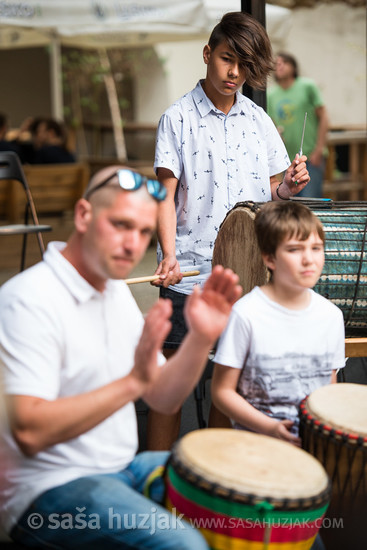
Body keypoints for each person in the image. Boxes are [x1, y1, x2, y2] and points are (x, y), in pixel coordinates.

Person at [0, 166, 242, 550]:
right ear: (83, 215)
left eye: (144, 233)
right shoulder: (28, 300)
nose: (133, 244)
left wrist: (201, 337)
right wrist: (132, 382)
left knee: (252, 507)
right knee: (185, 546)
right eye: (121, 225)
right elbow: (30, 433)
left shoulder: (112, 290)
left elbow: (162, 397)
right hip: (45, 492)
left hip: (124, 470)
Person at [148, 11, 311, 450]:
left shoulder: (257, 120)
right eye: (226, 59)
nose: (234, 72)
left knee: (230, 381)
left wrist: (289, 186)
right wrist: (168, 256)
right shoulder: (176, 119)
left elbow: (274, 192)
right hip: (190, 275)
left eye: (243, 64)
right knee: (170, 389)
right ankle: (157, 484)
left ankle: (209, 484)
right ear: (207, 54)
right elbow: (165, 195)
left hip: (249, 276)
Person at [211, 200, 345, 444]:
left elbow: (328, 389)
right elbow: (221, 392)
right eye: (294, 250)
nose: (309, 259)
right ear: (269, 258)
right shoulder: (246, 314)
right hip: (258, 447)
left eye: (316, 248)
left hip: (313, 445)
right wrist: (270, 428)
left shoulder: (332, 316)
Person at [267, 52, 329, 198]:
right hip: (285, 162)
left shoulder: (307, 86)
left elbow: (324, 116)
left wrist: (319, 149)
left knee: (310, 205)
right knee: (290, 207)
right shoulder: (270, 94)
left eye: (284, 62)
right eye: (276, 63)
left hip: (310, 157)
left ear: (293, 67)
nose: (279, 65)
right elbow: (272, 126)